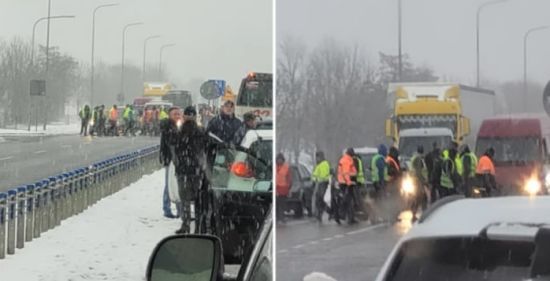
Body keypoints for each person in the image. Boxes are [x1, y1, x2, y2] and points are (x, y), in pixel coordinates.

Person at [174, 106, 208, 234]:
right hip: (196, 170)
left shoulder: (180, 131)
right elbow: (205, 148)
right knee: (198, 199)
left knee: (185, 200)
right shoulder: (201, 131)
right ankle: (199, 226)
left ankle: (186, 224)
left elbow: (175, 148)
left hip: (183, 170)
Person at [159, 106, 183, 218]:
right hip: (170, 159)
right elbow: (170, 143)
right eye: (175, 114)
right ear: (170, 116)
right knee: (169, 184)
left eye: (179, 114)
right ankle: (167, 209)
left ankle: (180, 210)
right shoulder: (168, 127)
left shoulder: (180, 126)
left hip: (180, 160)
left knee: (178, 184)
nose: (177, 116)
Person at [337, 148, 357, 224]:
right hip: (345, 183)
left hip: (345, 182)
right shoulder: (346, 160)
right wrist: (349, 182)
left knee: (348, 200)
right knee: (348, 201)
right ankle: (346, 216)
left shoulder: (347, 159)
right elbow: (346, 173)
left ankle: (349, 217)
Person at [410, 146, 428, 220]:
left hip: (415, 180)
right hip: (417, 180)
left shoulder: (414, 157)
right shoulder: (418, 159)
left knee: (419, 197)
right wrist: (424, 181)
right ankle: (422, 213)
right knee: (420, 197)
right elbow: (419, 171)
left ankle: (419, 212)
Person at [312, 151, 330, 223]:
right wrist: (314, 179)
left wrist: (316, 179)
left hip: (323, 184)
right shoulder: (319, 165)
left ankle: (323, 212)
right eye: (316, 157)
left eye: (318, 157)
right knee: (319, 199)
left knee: (321, 199)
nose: (317, 159)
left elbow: (323, 176)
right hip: (319, 184)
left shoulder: (324, 164)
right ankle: (319, 213)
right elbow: (315, 174)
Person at [276, 153, 292, 223]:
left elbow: (289, 179)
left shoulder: (286, 168)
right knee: (276, 204)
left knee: (281, 204)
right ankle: (277, 218)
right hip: (275, 189)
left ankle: (281, 218)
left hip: (283, 189)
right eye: (278, 159)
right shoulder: (274, 167)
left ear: (283, 160)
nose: (279, 161)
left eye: (281, 159)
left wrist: (288, 188)